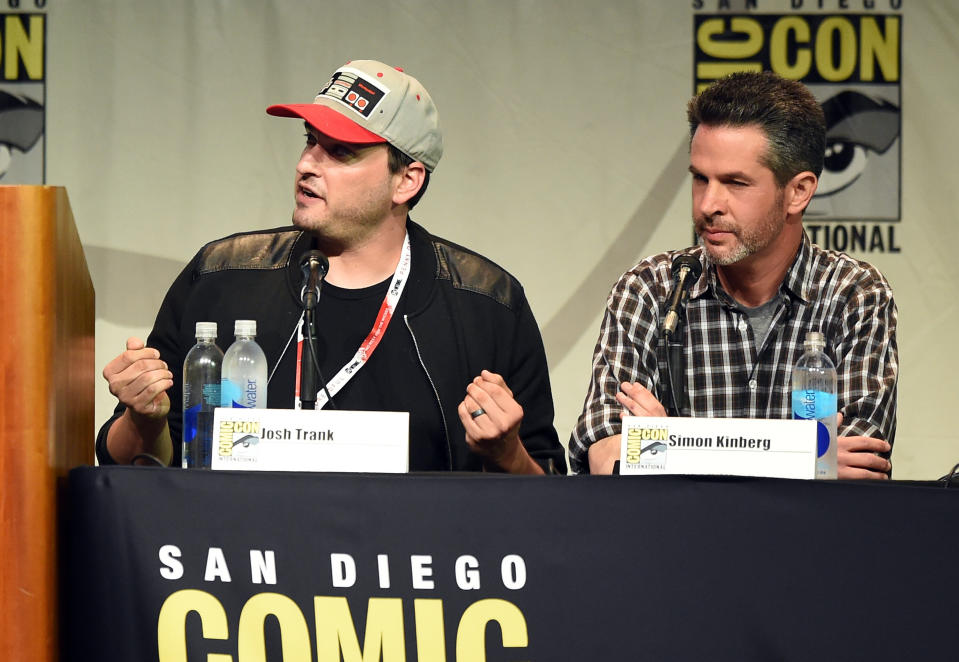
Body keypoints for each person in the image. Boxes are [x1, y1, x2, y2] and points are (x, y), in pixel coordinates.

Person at [98, 59, 563, 474]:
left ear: (406, 180)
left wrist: (506, 454)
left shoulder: (487, 303)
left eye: (340, 151)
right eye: (309, 141)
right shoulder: (221, 276)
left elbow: (550, 500)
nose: (305, 163)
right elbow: (140, 462)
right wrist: (143, 419)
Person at [568, 71, 897, 479]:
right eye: (700, 178)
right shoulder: (651, 289)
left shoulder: (855, 294)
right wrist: (802, 457)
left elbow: (858, 467)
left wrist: (671, 443)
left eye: (735, 183)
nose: (708, 204)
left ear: (799, 191)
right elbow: (607, 456)